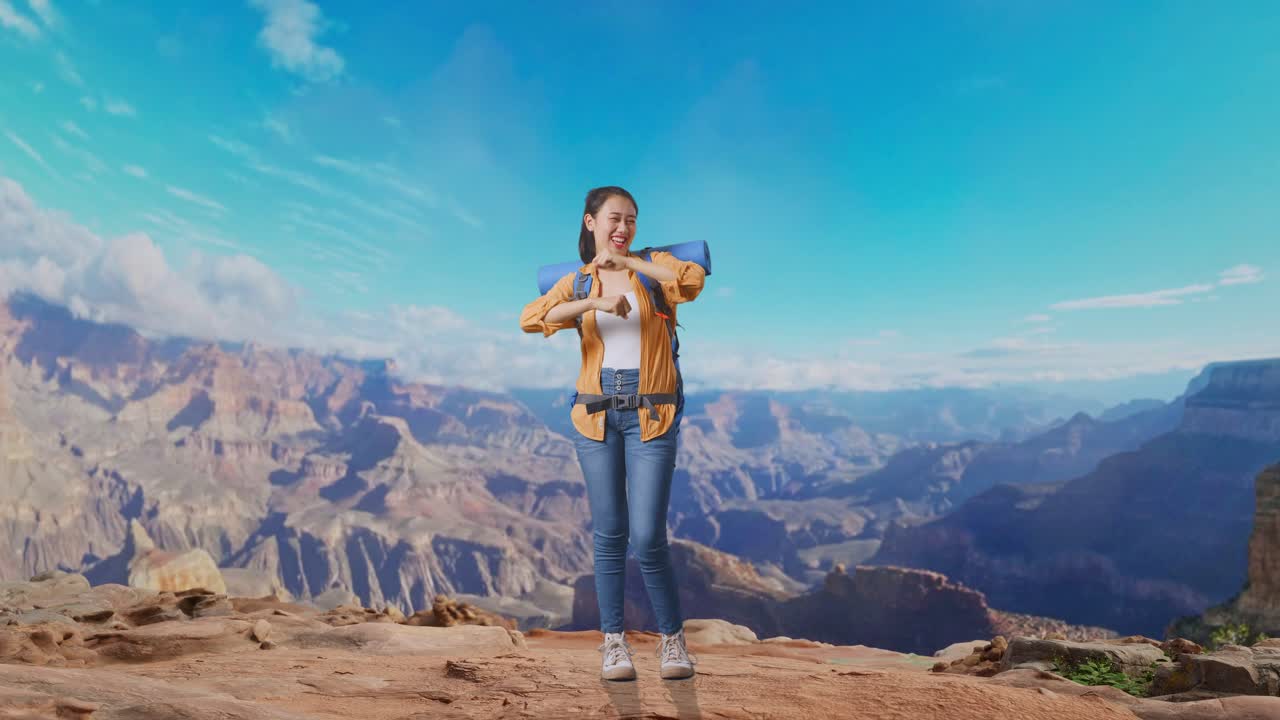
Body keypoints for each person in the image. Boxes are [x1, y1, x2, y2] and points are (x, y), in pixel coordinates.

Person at [519, 185, 706, 681]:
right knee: (609, 534)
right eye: (614, 219)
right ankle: (614, 644)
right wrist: (593, 302)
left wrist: (630, 263)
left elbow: (690, 281)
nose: (623, 228)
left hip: (653, 414)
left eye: (631, 220)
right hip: (595, 416)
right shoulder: (579, 281)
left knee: (647, 537)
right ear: (591, 222)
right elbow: (531, 319)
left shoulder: (655, 267)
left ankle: (672, 642)